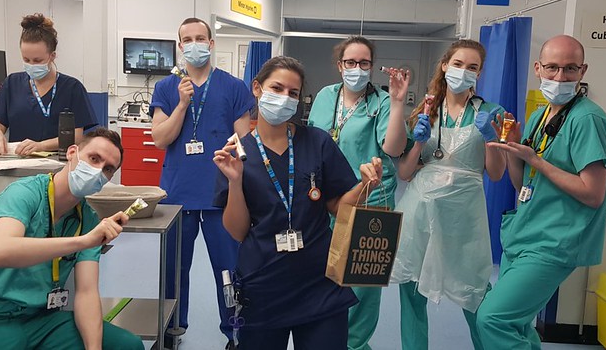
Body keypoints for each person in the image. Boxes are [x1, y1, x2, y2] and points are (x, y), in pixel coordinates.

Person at [213, 56, 383, 349]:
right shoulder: (238, 153)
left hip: (320, 284)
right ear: (257, 88)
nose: (284, 98)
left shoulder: (316, 142)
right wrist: (235, 181)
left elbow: (337, 207)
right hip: (263, 283)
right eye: (276, 88)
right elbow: (238, 231)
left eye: (293, 93)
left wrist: (365, 186)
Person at [0, 128, 143, 350]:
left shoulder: (88, 220)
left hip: (40, 319)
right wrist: (83, 241)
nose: (98, 171)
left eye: (108, 169)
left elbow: (86, 292)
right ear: (72, 152)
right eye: (94, 159)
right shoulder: (24, 194)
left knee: (126, 345)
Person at [476, 35, 606, 349]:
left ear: (583, 71)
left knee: (493, 318)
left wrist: (536, 161)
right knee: (519, 326)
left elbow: (593, 194)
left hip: (555, 240)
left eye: (570, 69)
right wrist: (515, 150)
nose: (560, 77)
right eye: (552, 68)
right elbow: (520, 183)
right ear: (538, 68)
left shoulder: (588, 120)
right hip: (527, 233)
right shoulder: (542, 115)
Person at [391, 39, 506, 350]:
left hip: (464, 217)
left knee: (475, 294)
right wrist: (417, 143)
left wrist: (491, 139)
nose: (463, 72)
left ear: (480, 74)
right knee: (412, 295)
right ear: (445, 65)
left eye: (472, 67)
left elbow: (495, 174)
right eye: (458, 64)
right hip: (420, 212)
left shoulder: (492, 114)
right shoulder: (426, 111)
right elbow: (404, 173)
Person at [149, 17, 254, 349]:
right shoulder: (166, 88)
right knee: (173, 273)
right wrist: (182, 104)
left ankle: (235, 334)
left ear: (211, 44)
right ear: (180, 47)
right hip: (177, 196)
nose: (194, 44)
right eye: (187, 39)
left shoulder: (233, 87)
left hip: (220, 196)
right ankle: (171, 331)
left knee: (230, 272)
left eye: (200, 38)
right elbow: (160, 140)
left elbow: (245, 141)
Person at [306, 35, 409, 350]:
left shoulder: (379, 101)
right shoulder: (326, 96)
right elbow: (313, 140)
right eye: (350, 62)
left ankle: (354, 346)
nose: (357, 68)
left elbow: (393, 149)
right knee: (324, 278)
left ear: (372, 67)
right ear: (339, 66)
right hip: (327, 201)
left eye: (364, 63)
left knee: (362, 288)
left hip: (370, 201)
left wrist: (397, 104)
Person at [0, 13, 97, 157]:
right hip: (17, 162)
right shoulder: (12, 83)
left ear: (52, 56)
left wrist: (41, 146)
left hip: (56, 164)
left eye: (38, 60)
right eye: (26, 59)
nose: (31, 65)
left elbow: (76, 137)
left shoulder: (72, 88)